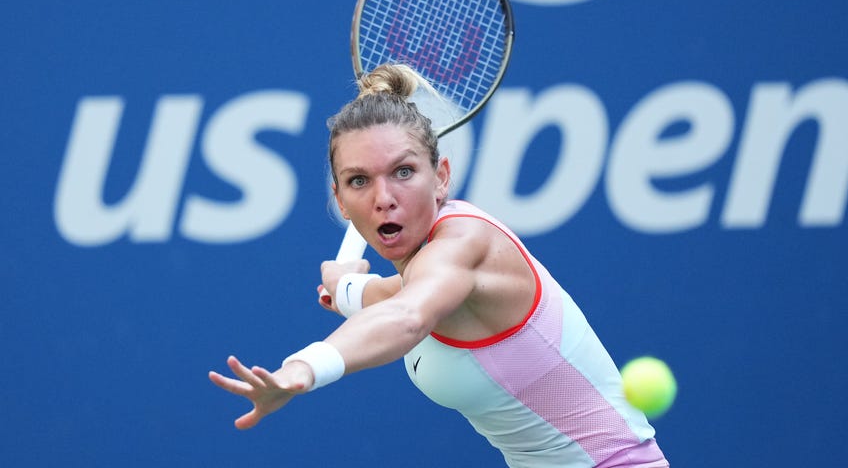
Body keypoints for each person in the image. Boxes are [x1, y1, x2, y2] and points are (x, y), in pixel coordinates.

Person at [209, 63, 669, 468]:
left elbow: (406, 316)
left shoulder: (466, 241)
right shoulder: (425, 275)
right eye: (359, 180)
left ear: (441, 177)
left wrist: (303, 368)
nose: (384, 197)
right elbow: (390, 297)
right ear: (341, 200)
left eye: (403, 172)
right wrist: (346, 288)